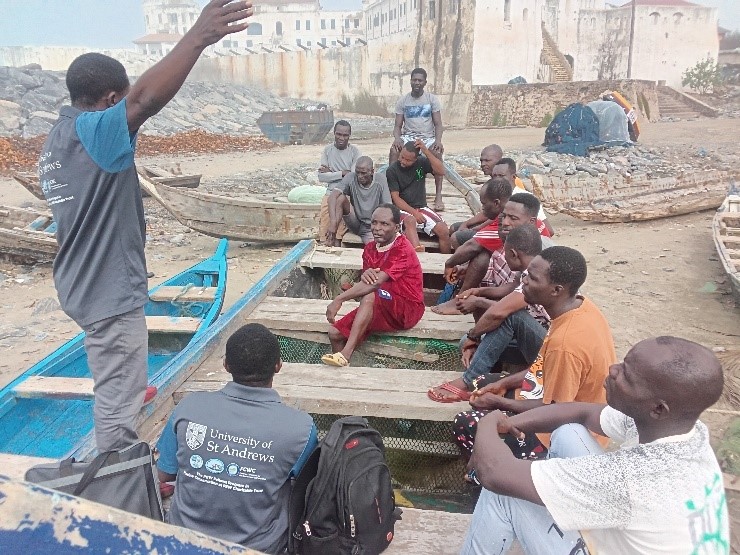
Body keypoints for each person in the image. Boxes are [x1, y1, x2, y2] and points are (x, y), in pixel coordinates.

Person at [38, 0, 252, 452]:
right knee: (116, 413)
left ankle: (127, 387)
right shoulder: (98, 131)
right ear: (111, 100)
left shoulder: (60, 137)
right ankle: (112, 485)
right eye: (121, 101)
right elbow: (144, 101)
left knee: (115, 370)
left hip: (79, 283)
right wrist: (199, 36)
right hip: (107, 294)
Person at [462, 336, 729, 554]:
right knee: (569, 432)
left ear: (658, 408)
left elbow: (495, 473)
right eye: (623, 363)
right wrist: (510, 424)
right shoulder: (687, 432)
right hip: (641, 519)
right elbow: (581, 412)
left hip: (629, 499)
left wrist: (488, 424)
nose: (612, 370)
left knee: (504, 494)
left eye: (626, 375)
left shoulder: (628, 479)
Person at [156, 323, 317, 553]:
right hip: (260, 548)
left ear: (225, 365)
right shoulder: (300, 428)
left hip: (183, 542)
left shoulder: (189, 407)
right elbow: (307, 490)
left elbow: (165, 473)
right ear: (278, 366)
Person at [451, 246, 616, 462]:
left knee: (465, 423)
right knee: (481, 383)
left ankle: (489, 478)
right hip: (555, 400)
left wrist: (502, 404)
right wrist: (505, 384)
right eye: (527, 274)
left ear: (556, 290)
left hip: (566, 432)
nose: (524, 281)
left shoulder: (565, 344)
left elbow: (556, 412)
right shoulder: (578, 307)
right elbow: (542, 368)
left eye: (533, 279)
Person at [427, 224, 549, 404]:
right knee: (469, 342)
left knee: (509, 316)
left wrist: (473, 334)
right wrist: (479, 291)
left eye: (505, 252)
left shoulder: (537, 279)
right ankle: (482, 378)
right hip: (533, 341)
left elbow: (501, 312)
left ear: (513, 254)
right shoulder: (530, 269)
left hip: (548, 347)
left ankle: (468, 381)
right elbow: (510, 288)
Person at [322, 204, 425, 367]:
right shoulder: (370, 249)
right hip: (381, 302)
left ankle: (345, 355)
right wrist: (365, 275)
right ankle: (343, 373)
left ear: (397, 227)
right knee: (334, 333)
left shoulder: (403, 248)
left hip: (406, 308)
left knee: (371, 293)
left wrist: (339, 299)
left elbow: (373, 285)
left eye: (384, 224)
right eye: (374, 223)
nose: (377, 228)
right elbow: (367, 282)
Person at [431, 177, 512, 314]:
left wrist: (449, 264)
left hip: (511, 277)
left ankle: (460, 300)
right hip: (504, 264)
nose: (482, 208)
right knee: (480, 252)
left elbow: (472, 245)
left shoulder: (506, 223)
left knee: (481, 254)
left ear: (497, 203)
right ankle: (464, 290)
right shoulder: (506, 213)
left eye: (484, 204)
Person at [389, 68, 445, 212]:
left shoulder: (432, 100)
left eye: (420, 80)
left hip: (427, 137)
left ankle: (438, 196)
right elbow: (397, 125)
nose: (417, 83)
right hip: (409, 136)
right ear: (411, 81)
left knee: (437, 153)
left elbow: (438, 124)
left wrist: (438, 141)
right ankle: (392, 191)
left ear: (425, 82)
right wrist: (397, 139)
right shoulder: (403, 101)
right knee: (394, 151)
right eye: (414, 80)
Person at [386, 140, 451, 253]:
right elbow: (396, 199)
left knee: (443, 230)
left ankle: (447, 265)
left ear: (415, 159)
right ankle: (418, 258)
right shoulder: (392, 170)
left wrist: (426, 151)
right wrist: (414, 212)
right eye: (402, 157)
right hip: (402, 209)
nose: (403, 161)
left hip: (420, 207)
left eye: (408, 160)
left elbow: (441, 171)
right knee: (410, 221)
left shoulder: (421, 162)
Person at [326, 156, 391, 245]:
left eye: (363, 173)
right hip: (356, 223)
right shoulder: (351, 177)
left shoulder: (380, 179)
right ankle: (331, 238)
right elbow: (332, 197)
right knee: (340, 198)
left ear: (372, 171)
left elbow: (388, 207)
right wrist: (333, 223)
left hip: (373, 225)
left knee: (376, 249)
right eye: (358, 172)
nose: (360, 176)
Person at [449, 144, 503, 250]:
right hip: (492, 222)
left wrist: (477, 229)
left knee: (456, 237)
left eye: (487, 161)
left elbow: (500, 217)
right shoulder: (491, 183)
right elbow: (487, 213)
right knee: (453, 228)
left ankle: (464, 264)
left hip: (500, 228)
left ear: (500, 160)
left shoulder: (506, 186)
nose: (483, 164)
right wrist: (466, 223)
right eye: (481, 161)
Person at [318, 120, 362, 246]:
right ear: (334, 134)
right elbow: (321, 177)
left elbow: (353, 176)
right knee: (325, 223)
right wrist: (341, 173)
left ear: (349, 135)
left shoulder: (355, 152)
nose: (341, 138)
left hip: (347, 192)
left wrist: (331, 172)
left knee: (340, 229)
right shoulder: (327, 150)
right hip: (330, 191)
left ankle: (337, 250)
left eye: (345, 135)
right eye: (339, 134)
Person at [492, 157, 555, 237]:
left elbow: (548, 231)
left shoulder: (525, 199)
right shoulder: (496, 197)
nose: (497, 180)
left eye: (501, 176)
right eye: (494, 176)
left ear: (513, 177)